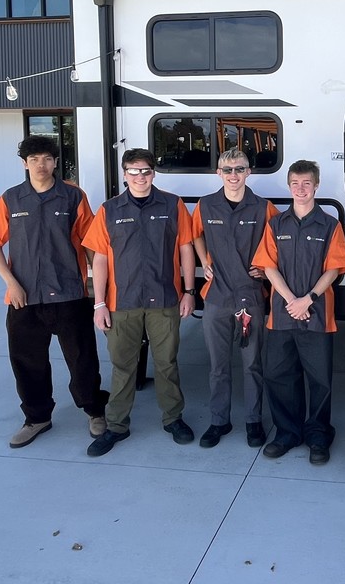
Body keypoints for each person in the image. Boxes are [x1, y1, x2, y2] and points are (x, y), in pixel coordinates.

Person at [0, 135, 109, 448]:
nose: (41, 164)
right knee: (27, 362)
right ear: (25, 163)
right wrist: (11, 283)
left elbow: (90, 245)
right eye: (34, 159)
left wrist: (96, 289)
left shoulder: (73, 196)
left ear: (55, 162)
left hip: (69, 295)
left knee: (83, 360)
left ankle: (94, 411)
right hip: (24, 299)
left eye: (47, 158)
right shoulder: (11, 198)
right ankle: (37, 417)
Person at [81, 148, 197, 457]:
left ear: (153, 173)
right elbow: (101, 259)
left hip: (165, 299)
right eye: (133, 171)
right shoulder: (109, 210)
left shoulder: (173, 205)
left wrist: (189, 291)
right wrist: (99, 303)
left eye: (145, 171)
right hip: (122, 303)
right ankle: (117, 425)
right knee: (122, 366)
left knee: (167, 363)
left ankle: (173, 419)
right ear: (124, 175)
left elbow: (186, 248)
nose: (140, 177)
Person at [251, 160, 345, 465]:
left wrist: (307, 299)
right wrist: (292, 300)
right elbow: (268, 266)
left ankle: (318, 434)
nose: (301, 189)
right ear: (289, 185)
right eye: (295, 183)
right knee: (279, 375)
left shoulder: (330, 225)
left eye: (307, 183)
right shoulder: (275, 225)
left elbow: (334, 268)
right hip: (281, 313)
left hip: (318, 313)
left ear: (317, 186)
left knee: (319, 379)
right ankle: (287, 432)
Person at [191, 148, 277, 449]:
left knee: (253, 364)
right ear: (218, 173)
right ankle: (219, 421)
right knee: (218, 365)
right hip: (216, 297)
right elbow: (196, 235)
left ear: (248, 172)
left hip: (250, 295)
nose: (233, 175)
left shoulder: (263, 208)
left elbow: (277, 242)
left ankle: (254, 422)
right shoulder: (205, 205)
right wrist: (204, 260)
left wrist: (266, 269)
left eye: (239, 169)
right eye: (227, 170)